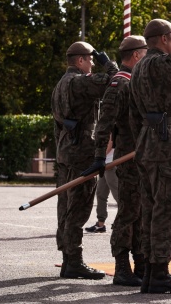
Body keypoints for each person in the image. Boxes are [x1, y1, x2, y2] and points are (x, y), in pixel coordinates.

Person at [128, 19, 171, 294]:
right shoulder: (159, 64)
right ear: (165, 39)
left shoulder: (138, 69)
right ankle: (159, 272)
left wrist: (143, 139)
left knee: (150, 209)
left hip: (147, 142)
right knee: (167, 209)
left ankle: (148, 272)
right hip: (166, 144)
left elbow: (134, 115)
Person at [81, 35, 148, 287]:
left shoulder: (137, 81)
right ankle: (122, 266)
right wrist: (99, 156)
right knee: (129, 212)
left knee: (140, 212)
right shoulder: (120, 83)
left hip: (141, 156)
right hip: (127, 159)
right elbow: (105, 122)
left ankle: (140, 263)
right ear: (137, 55)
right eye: (145, 52)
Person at [51, 41, 118, 279]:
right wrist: (108, 63)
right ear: (80, 60)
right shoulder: (79, 82)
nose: (92, 63)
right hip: (81, 154)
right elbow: (116, 80)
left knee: (65, 208)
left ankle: (68, 258)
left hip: (65, 151)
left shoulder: (60, 84)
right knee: (78, 208)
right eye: (90, 59)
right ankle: (74, 261)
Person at [85, 137, 118, 233]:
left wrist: (100, 156)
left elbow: (111, 142)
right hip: (104, 164)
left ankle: (124, 220)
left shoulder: (110, 123)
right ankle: (100, 224)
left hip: (111, 163)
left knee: (118, 195)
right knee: (100, 194)